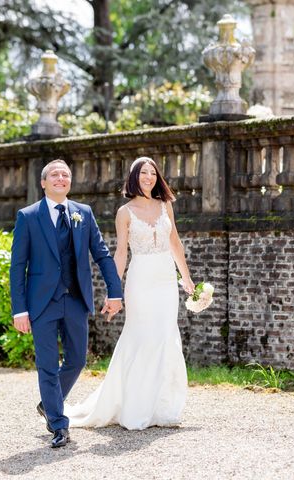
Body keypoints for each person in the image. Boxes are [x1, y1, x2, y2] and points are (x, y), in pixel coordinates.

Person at [65, 156, 195, 430]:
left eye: (152, 173)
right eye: (143, 173)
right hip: (141, 281)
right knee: (141, 337)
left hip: (165, 282)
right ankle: (134, 408)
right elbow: (121, 252)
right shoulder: (124, 212)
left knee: (165, 337)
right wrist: (115, 290)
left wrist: (186, 277)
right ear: (134, 178)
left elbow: (175, 242)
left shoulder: (165, 205)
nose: (148, 177)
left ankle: (161, 408)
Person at [10, 159, 123, 448]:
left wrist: (115, 291)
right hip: (41, 303)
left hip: (75, 299)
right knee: (47, 364)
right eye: (55, 175)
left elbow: (101, 253)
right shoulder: (28, 216)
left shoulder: (83, 213)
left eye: (66, 175)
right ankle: (59, 425)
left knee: (77, 359)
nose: (61, 178)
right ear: (43, 182)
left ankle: (48, 403)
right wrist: (19, 310)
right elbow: (18, 266)